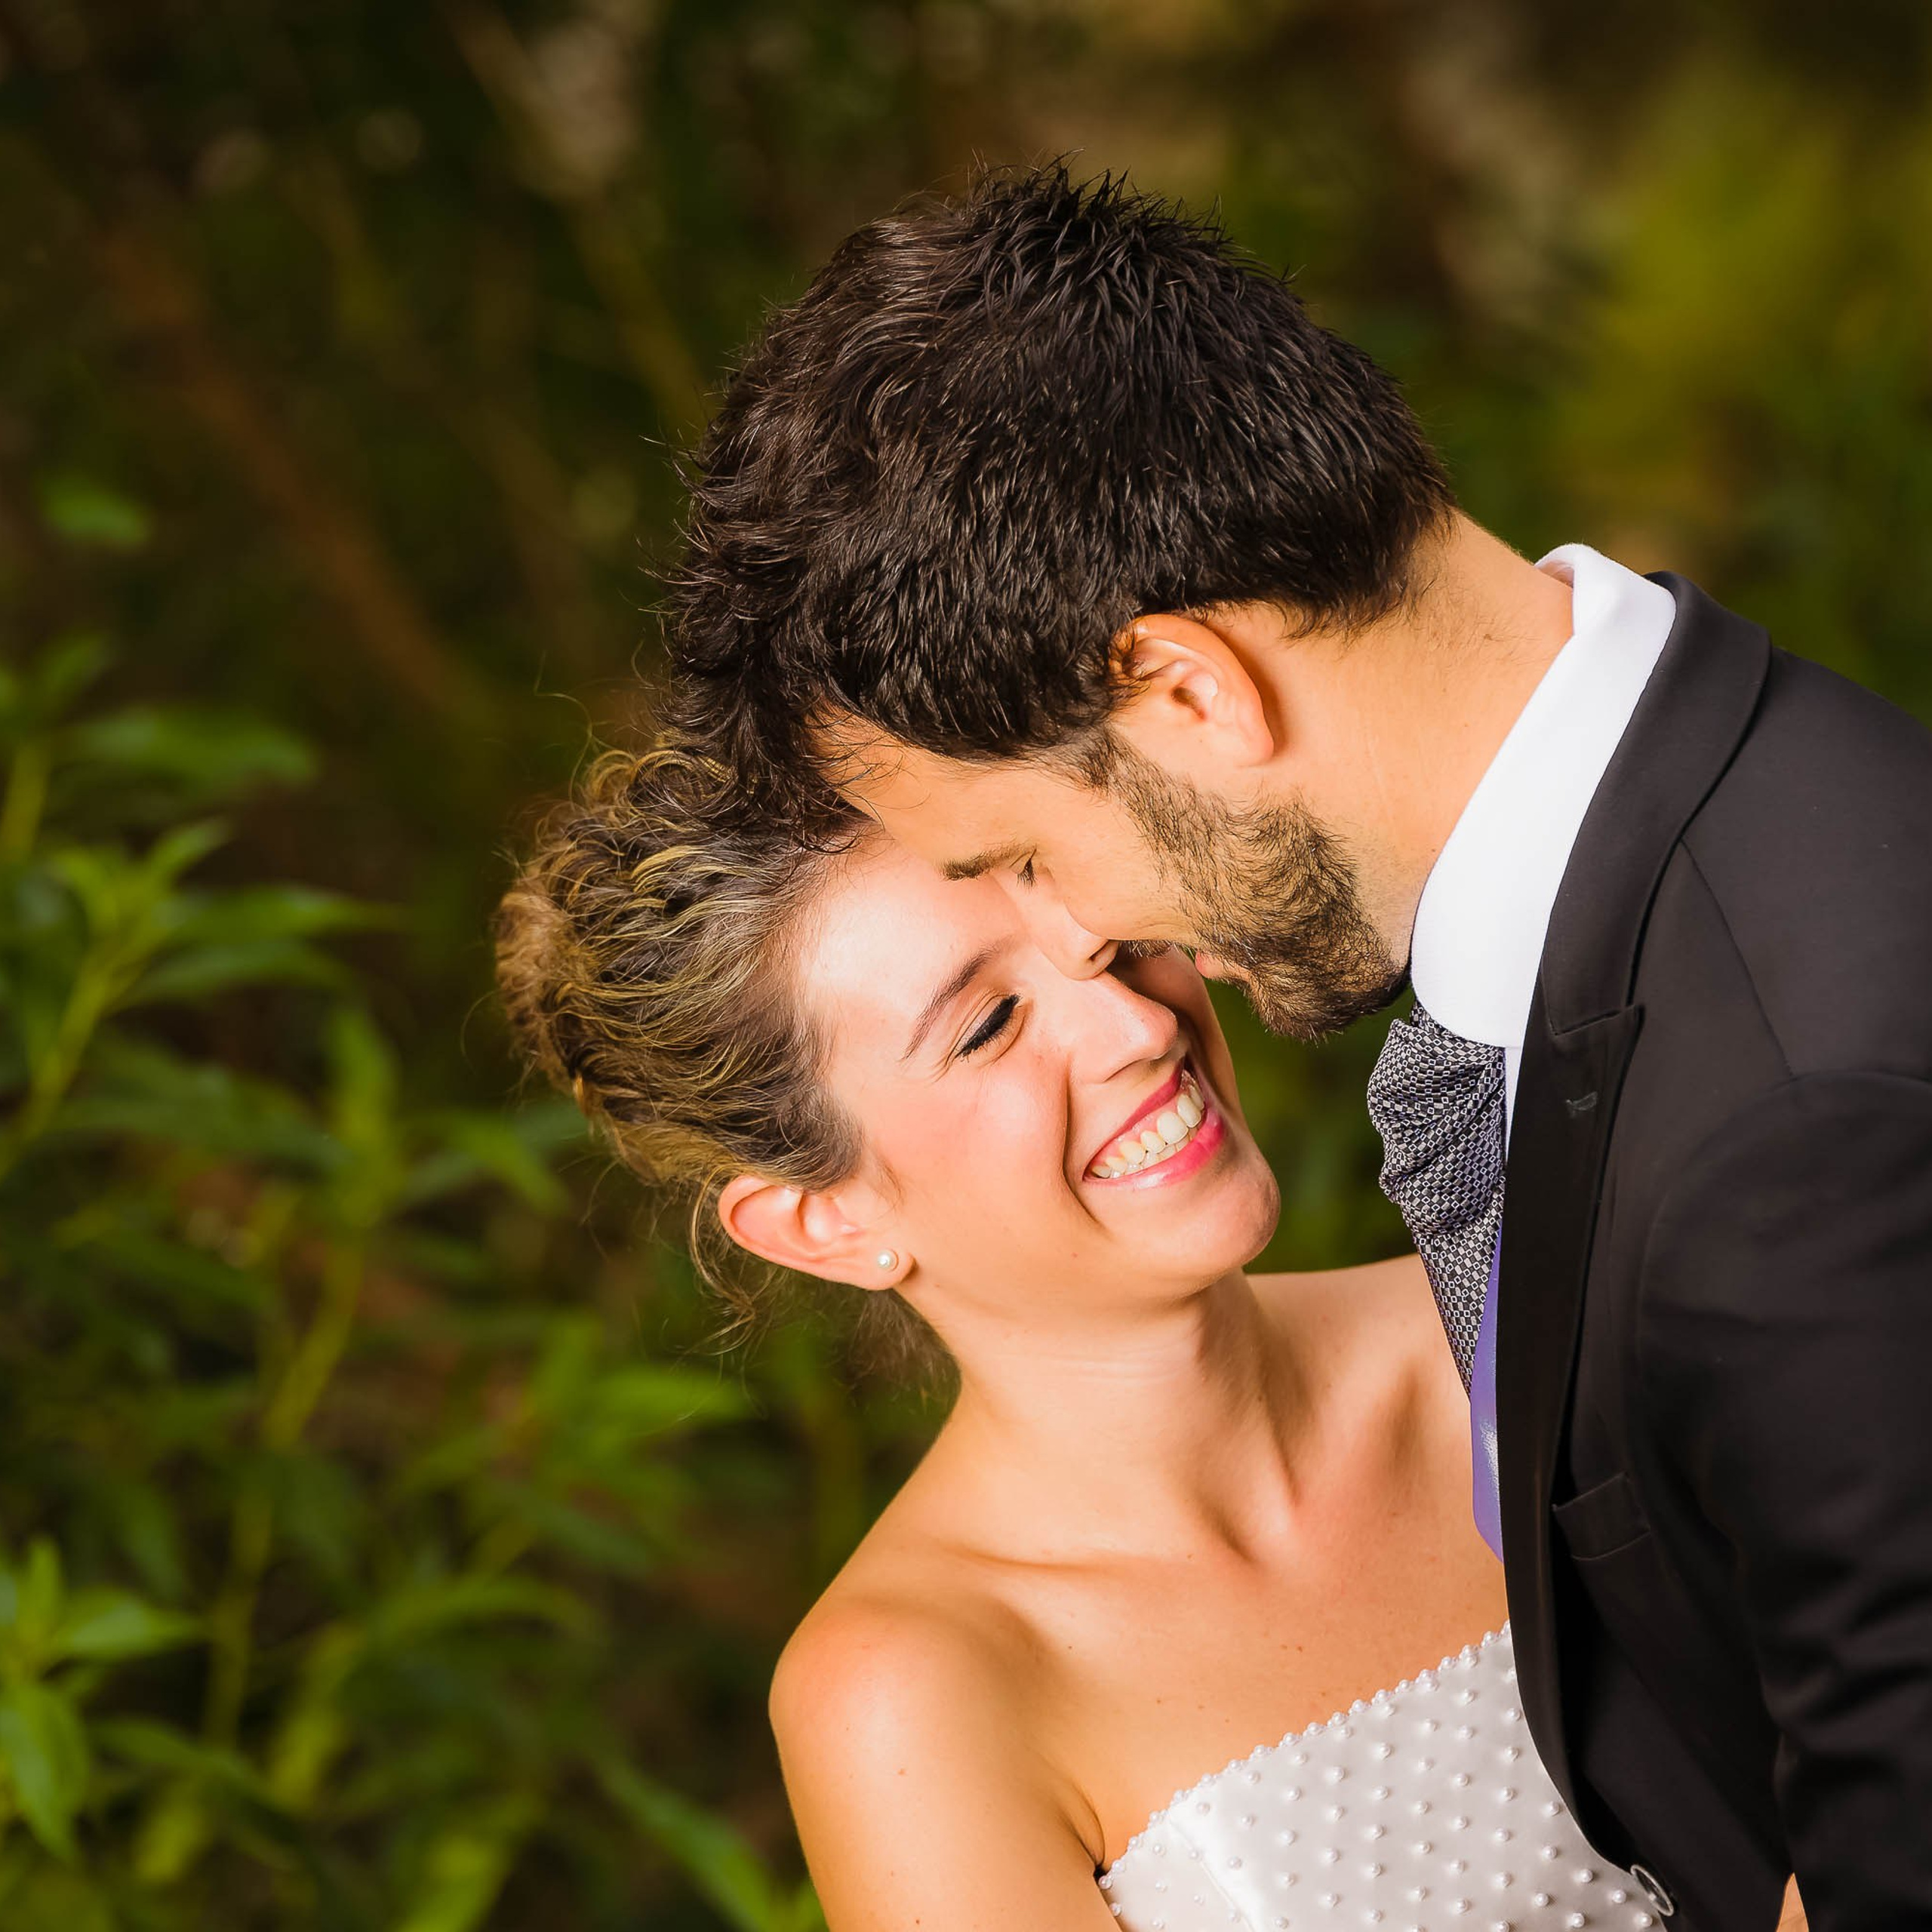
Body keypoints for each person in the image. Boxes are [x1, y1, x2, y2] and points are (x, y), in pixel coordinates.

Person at [662, 168, 1932, 1930]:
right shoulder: (1793, 837)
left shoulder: (1780, 1127)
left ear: (1187, 690)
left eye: (1031, 856)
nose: (1105, 955)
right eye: (988, 989)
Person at [494, 740, 1671, 1932]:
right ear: (824, 1223)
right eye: (990, 1024)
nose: (1134, 1029)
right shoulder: (916, 1691)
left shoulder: (1534, 1310)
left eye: (1104, 939)